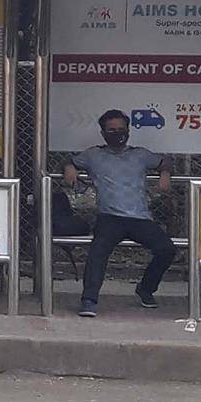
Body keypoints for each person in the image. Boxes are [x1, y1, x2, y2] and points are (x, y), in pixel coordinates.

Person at [62, 109, 173, 317]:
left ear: (128, 131)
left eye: (121, 129)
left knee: (167, 249)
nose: (117, 133)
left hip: (140, 218)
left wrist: (164, 174)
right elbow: (69, 160)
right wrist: (69, 167)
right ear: (103, 132)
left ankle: (146, 289)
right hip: (109, 217)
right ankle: (89, 300)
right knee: (98, 250)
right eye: (111, 130)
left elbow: (164, 161)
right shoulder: (94, 155)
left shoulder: (140, 155)